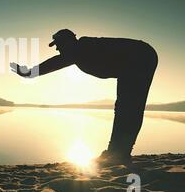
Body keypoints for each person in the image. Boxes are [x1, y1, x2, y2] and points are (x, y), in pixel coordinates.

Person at [10, 29, 158, 166]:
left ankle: (121, 153)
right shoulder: (78, 52)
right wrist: (29, 73)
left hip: (140, 57)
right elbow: (58, 61)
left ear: (69, 41)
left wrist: (29, 73)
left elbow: (56, 62)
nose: (57, 48)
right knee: (123, 107)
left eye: (59, 44)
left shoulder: (84, 46)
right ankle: (115, 151)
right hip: (132, 61)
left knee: (129, 107)